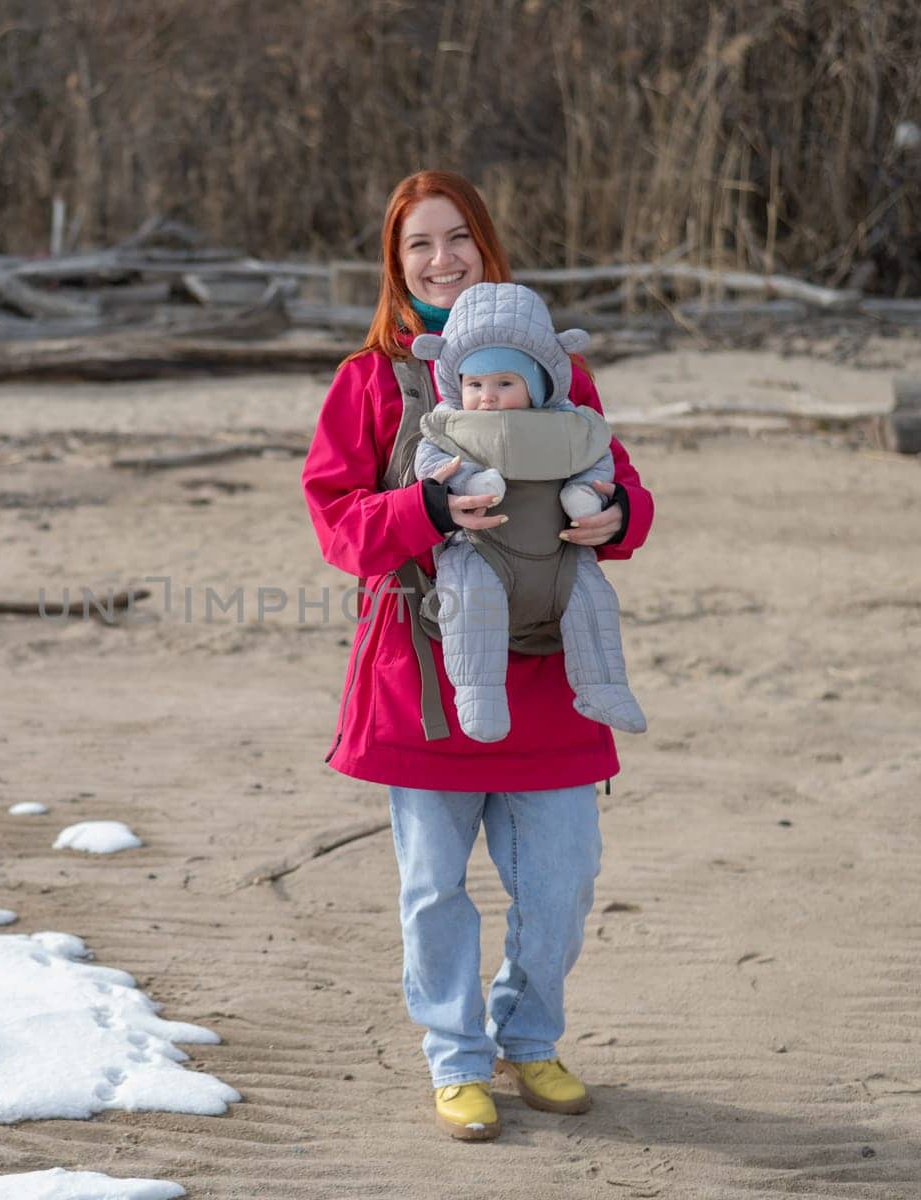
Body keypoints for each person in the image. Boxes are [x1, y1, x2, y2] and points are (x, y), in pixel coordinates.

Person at [300, 170, 655, 1141]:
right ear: (394, 262)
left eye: (457, 238)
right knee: (432, 889)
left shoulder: (556, 374)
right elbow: (335, 526)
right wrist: (421, 509)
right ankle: (456, 1060)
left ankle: (528, 1039)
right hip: (421, 678)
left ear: (486, 246)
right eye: (419, 244)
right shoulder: (369, 382)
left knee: (562, 881)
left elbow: (621, 496)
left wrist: (614, 519)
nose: (441, 258)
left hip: (548, 678)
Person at [410, 280, 647, 742]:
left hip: (559, 553)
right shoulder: (451, 425)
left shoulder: (566, 424)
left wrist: (590, 495)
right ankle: (480, 697)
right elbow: (430, 462)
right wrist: (463, 482)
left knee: (594, 600)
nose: (488, 396)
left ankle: (605, 687)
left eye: (504, 383)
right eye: (475, 384)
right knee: (472, 602)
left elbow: (597, 458)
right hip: (483, 548)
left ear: (536, 386)